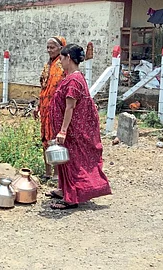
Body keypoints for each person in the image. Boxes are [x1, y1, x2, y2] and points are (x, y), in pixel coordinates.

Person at [48, 44, 112, 210]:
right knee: (64, 160)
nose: (60, 62)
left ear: (68, 58)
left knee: (72, 162)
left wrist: (63, 130)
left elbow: (70, 107)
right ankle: (64, 190)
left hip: (73, 131)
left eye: (61, 58)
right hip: (70, 129)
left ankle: (71, 198)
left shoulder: (74, 80)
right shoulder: (72, 77)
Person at [35, 36, 66, 184]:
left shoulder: (64, 65)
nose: (49, 50)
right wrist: (38, 106)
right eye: (47, 47)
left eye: (52, 47)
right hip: (45, 109)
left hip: (57, 110)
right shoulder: (47, 65)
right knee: (45, 140)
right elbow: (43, 87)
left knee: (55, 141)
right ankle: (47, 172)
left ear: (61, 48)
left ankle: (57, 174)